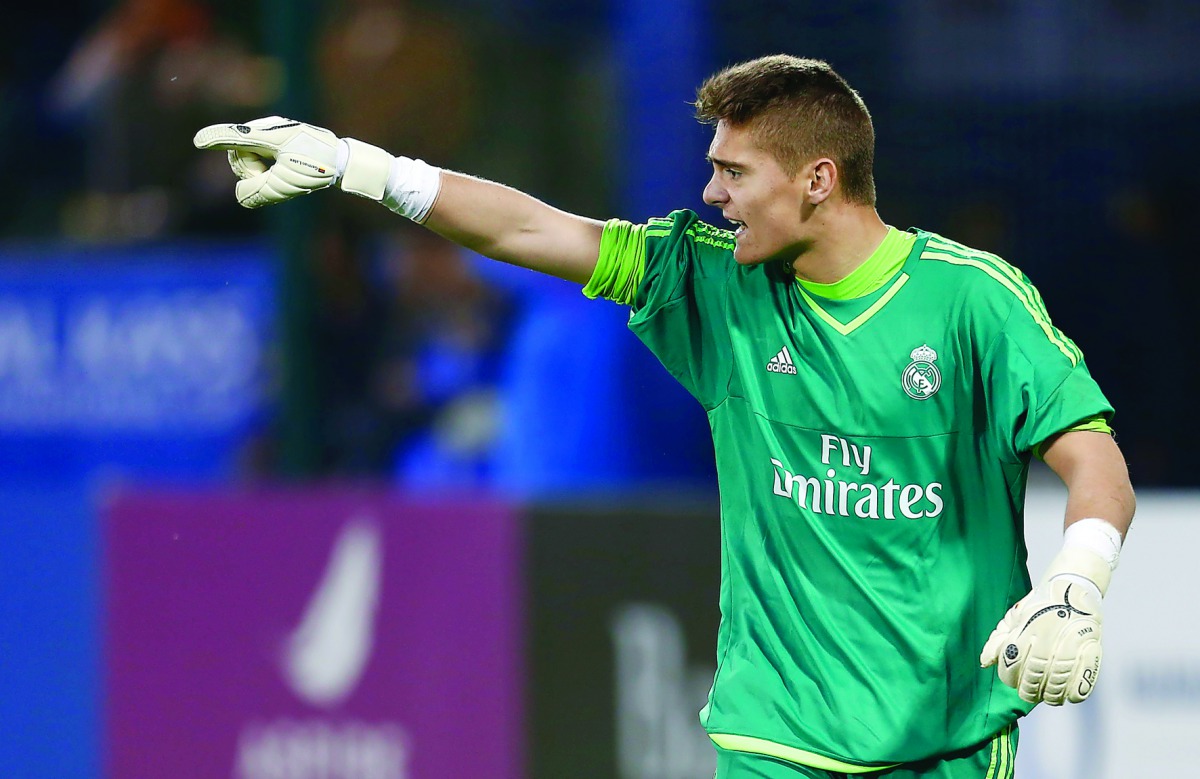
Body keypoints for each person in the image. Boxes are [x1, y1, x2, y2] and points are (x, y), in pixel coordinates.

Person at [194, 55, 1136, 778]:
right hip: (774, 734)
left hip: (946, 740)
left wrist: (1077, 584)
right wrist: (358, 166)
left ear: (817, 178)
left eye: (734, 172)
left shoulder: (972, 301)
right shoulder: (710, 282)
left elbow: (1093, 458)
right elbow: (529, 229)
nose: (711, 195)